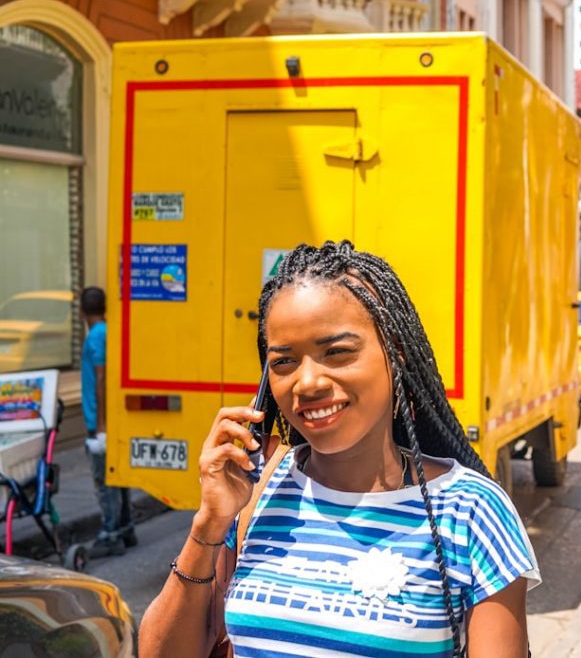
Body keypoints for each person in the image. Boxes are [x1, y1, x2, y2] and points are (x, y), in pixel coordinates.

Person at [140, 241, 539, 658]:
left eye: (337, 352)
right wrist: (209, 523)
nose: (307, 382)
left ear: (396, 356)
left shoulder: (470, 511)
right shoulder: (258, 493)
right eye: (284, 362)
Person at [80, 287, 136, 558]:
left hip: (99, 419)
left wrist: (100, 423)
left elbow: (101, 379)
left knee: (105, 481)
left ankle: (110, 533)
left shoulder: (95, 337)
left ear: (81, 310)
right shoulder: (109, 330)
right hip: (110, 417)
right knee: (118, 474)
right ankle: (126, 528)